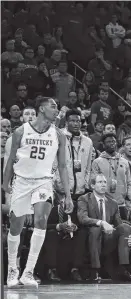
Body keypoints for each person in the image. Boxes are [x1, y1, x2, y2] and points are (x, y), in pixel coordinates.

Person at [2, 97, 73, 287]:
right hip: (22, 181)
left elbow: (63, 166)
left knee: (41, 220)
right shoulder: (20, 132)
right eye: (53, 106)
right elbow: (9, 161)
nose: (56, 109)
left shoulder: (59, 135)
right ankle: (12, 269)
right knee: (16, 226)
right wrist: (5, 184)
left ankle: (28, 272)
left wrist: (68, 195)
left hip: (43, 182)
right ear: (41, 109)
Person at [77, 173, 131, 282]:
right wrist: (101, 222)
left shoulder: (113, 203)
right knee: (95, 229)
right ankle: (95, 271)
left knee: (125, 227)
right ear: (92, 186)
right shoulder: (84, 199)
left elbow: (119, 224)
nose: (103, 185)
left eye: (105, 182)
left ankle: (123, 269)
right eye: (100, 182)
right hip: (90, 238)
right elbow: (83, 218)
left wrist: (130, 234)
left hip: (108, 238)